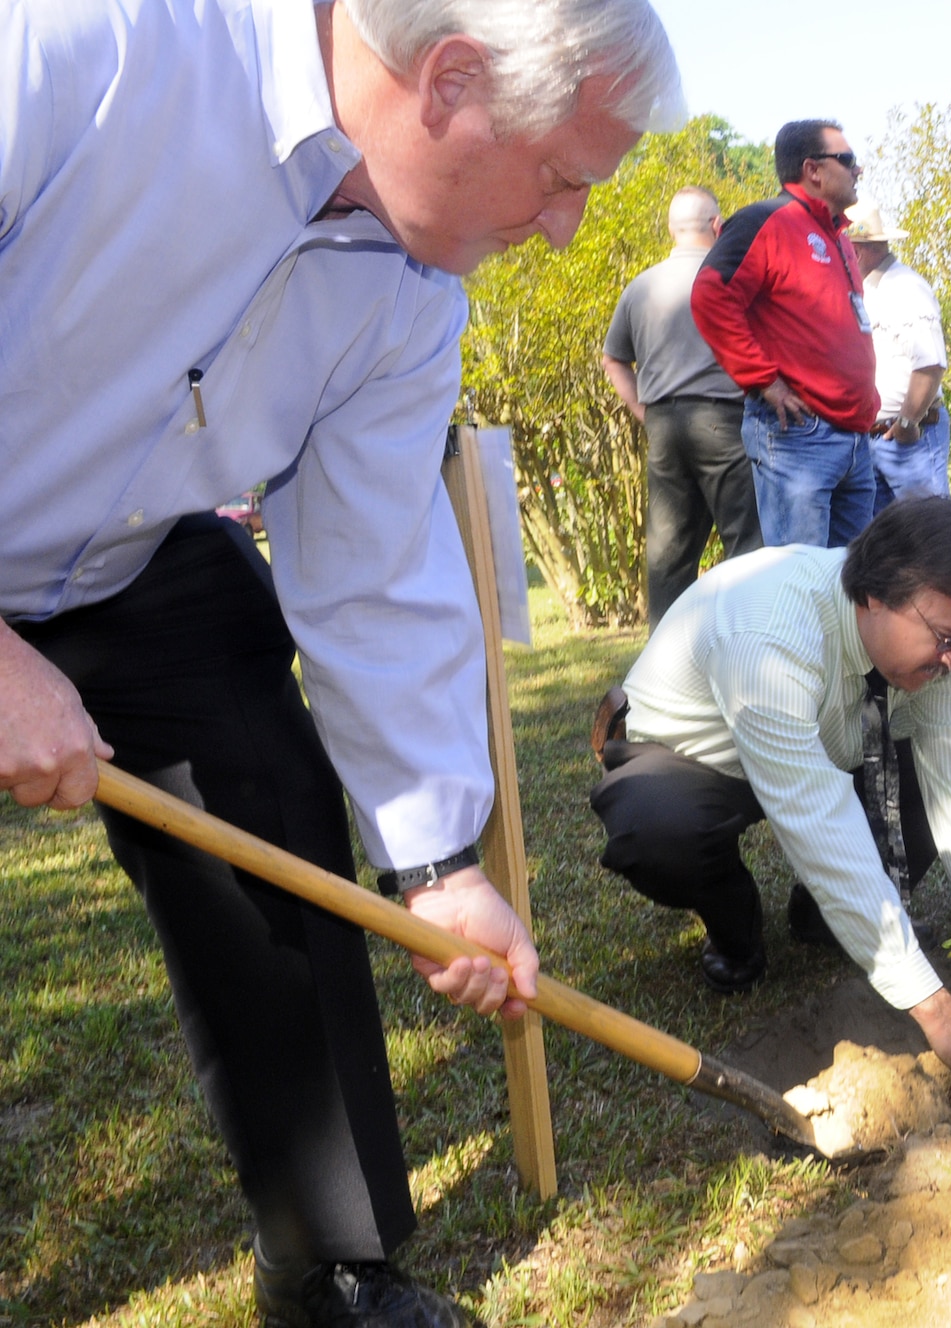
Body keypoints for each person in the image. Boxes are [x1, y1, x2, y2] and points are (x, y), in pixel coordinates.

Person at [0, 1, 679, 1324]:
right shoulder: (84, 44)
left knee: (272, 805)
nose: (564, 229)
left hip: (131, 557)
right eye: (560, 178)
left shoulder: (416, 290)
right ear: (452, 78)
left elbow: (370, 560)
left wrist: (436, 868)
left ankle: (335, 1270)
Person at [586, 498, 951, 1118]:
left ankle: (822, 918)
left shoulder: (947, 652)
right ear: (873, 597)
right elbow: (818, 823)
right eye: (945, 639)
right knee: (660, 829)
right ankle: (735, 929)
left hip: (827, 739)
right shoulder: (768, 632)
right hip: (689, 758)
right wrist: (939, 1015)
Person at [691, 120, 880, 549]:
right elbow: (710, 296)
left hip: (853, 437)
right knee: (797, 584)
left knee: (853, 586)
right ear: (813, 170)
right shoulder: (767, 220)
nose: (858, 171)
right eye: (847, 160)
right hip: (799, 434)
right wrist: (763, 380)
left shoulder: (839, 235)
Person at [603, 187, 763, 627]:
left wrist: (643, 411)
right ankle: (746, 645)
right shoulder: (731, 279)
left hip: (664, 425)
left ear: (672, 231)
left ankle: (663, 667)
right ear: (717, 225)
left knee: (668, 551)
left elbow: (613, 358)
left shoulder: (641, 285)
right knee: (746, 544)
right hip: (724, 421)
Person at [846, 200, 951, 510]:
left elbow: (931, 364)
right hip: (875, 439)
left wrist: (907, 422)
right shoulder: (866, 290)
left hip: (909, 439)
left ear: (857, 251)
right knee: (885, 545)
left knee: (928, 536)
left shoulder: (905, 287)